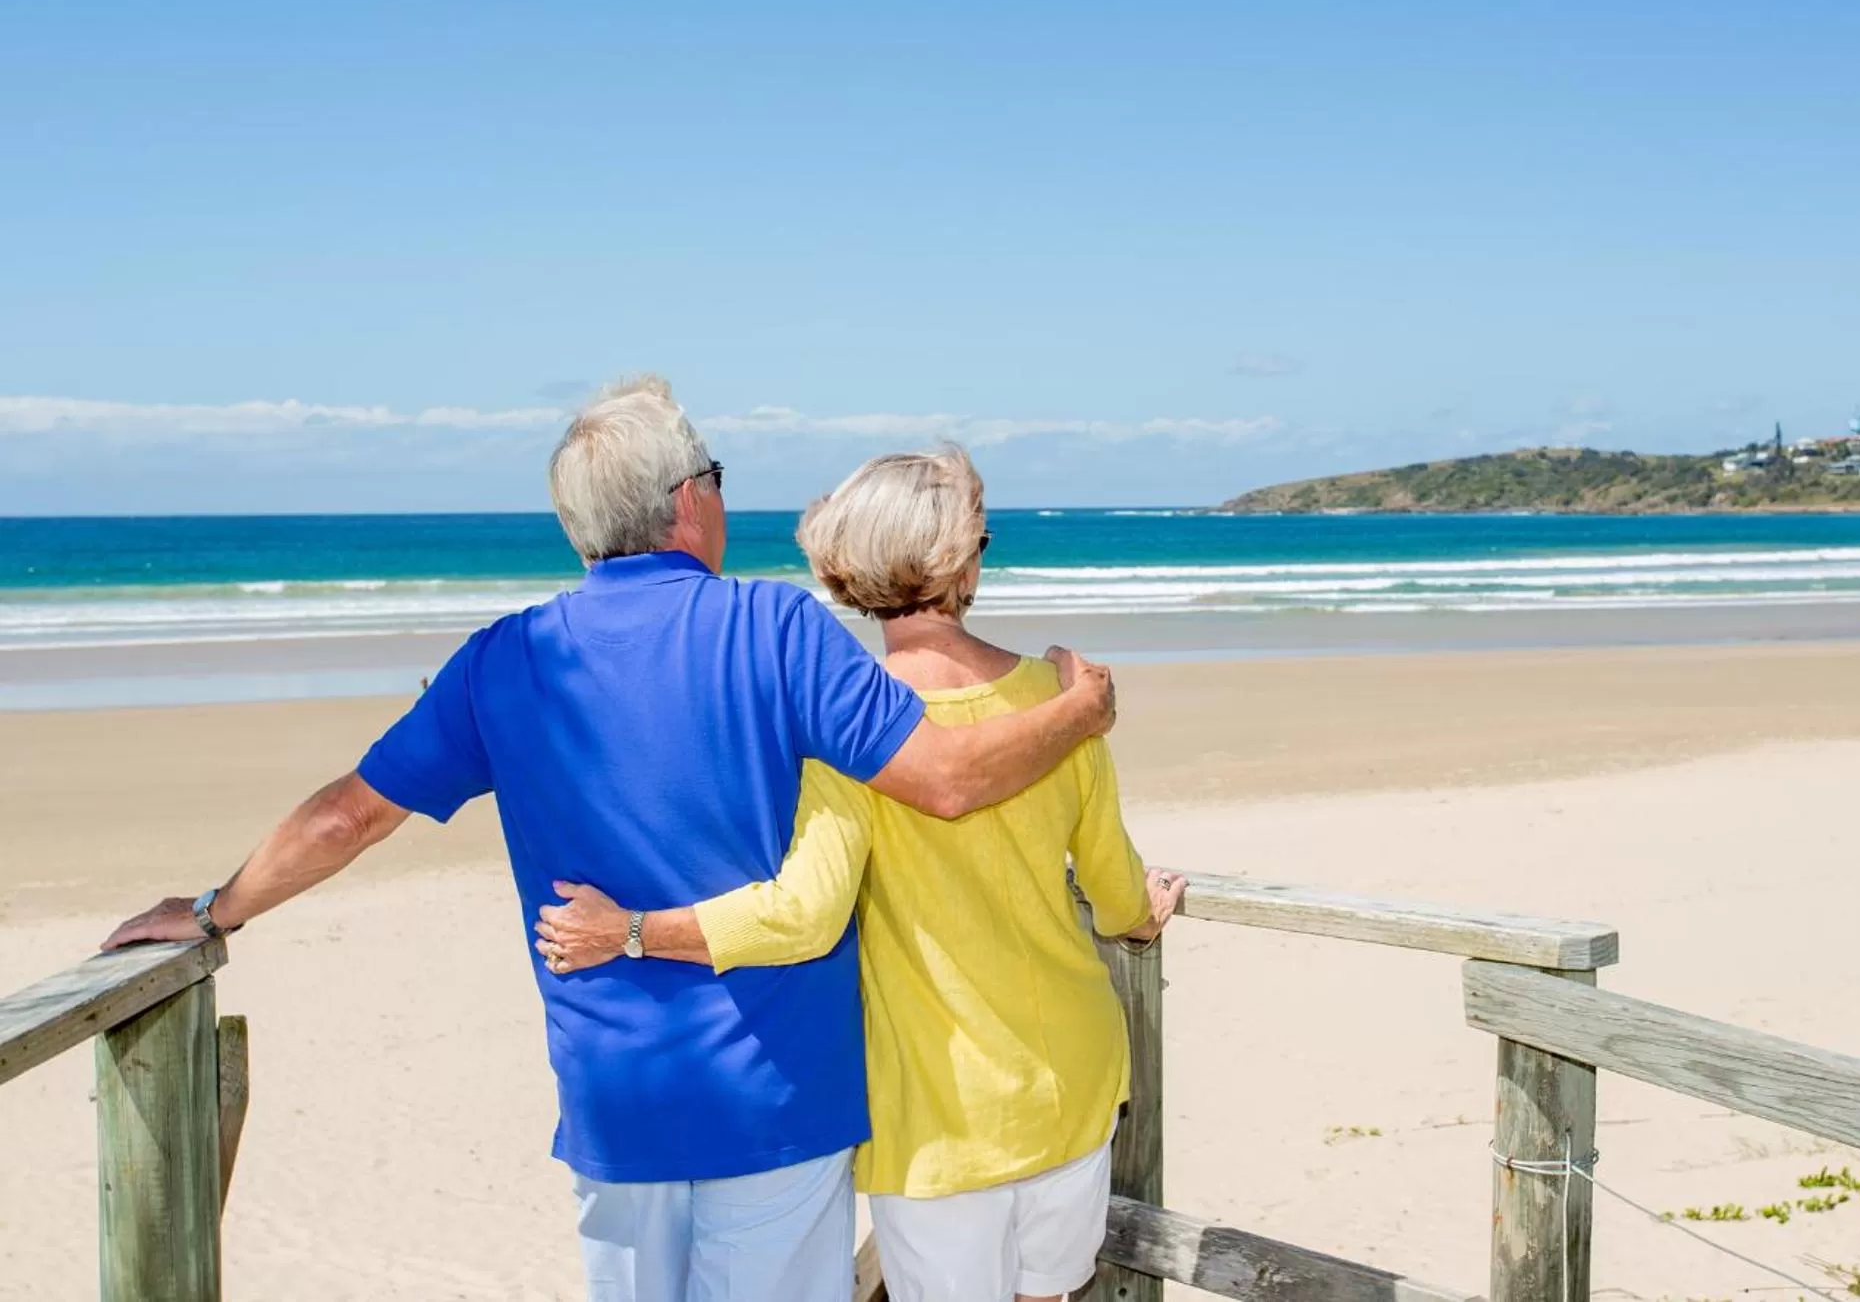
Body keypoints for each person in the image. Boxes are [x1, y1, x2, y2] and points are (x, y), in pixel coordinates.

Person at [100, 378, 1121, 1302]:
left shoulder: (507, 659)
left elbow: (345, 817)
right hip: (778, 1097)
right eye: (716, 477)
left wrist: (215, 909)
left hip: (619, 1100)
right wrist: (1079, 712)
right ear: (687, 501)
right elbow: (947, 780)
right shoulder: (778, 630)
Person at [536, 444, 1183, 1302]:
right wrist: (1146, 913)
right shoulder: (1063, 705)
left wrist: (630, 930)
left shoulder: (853, 731)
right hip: (1075, 1076)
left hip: (940, 1110)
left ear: (845, 572)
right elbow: (1114, 892)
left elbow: (804, 914)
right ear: (963, 562)